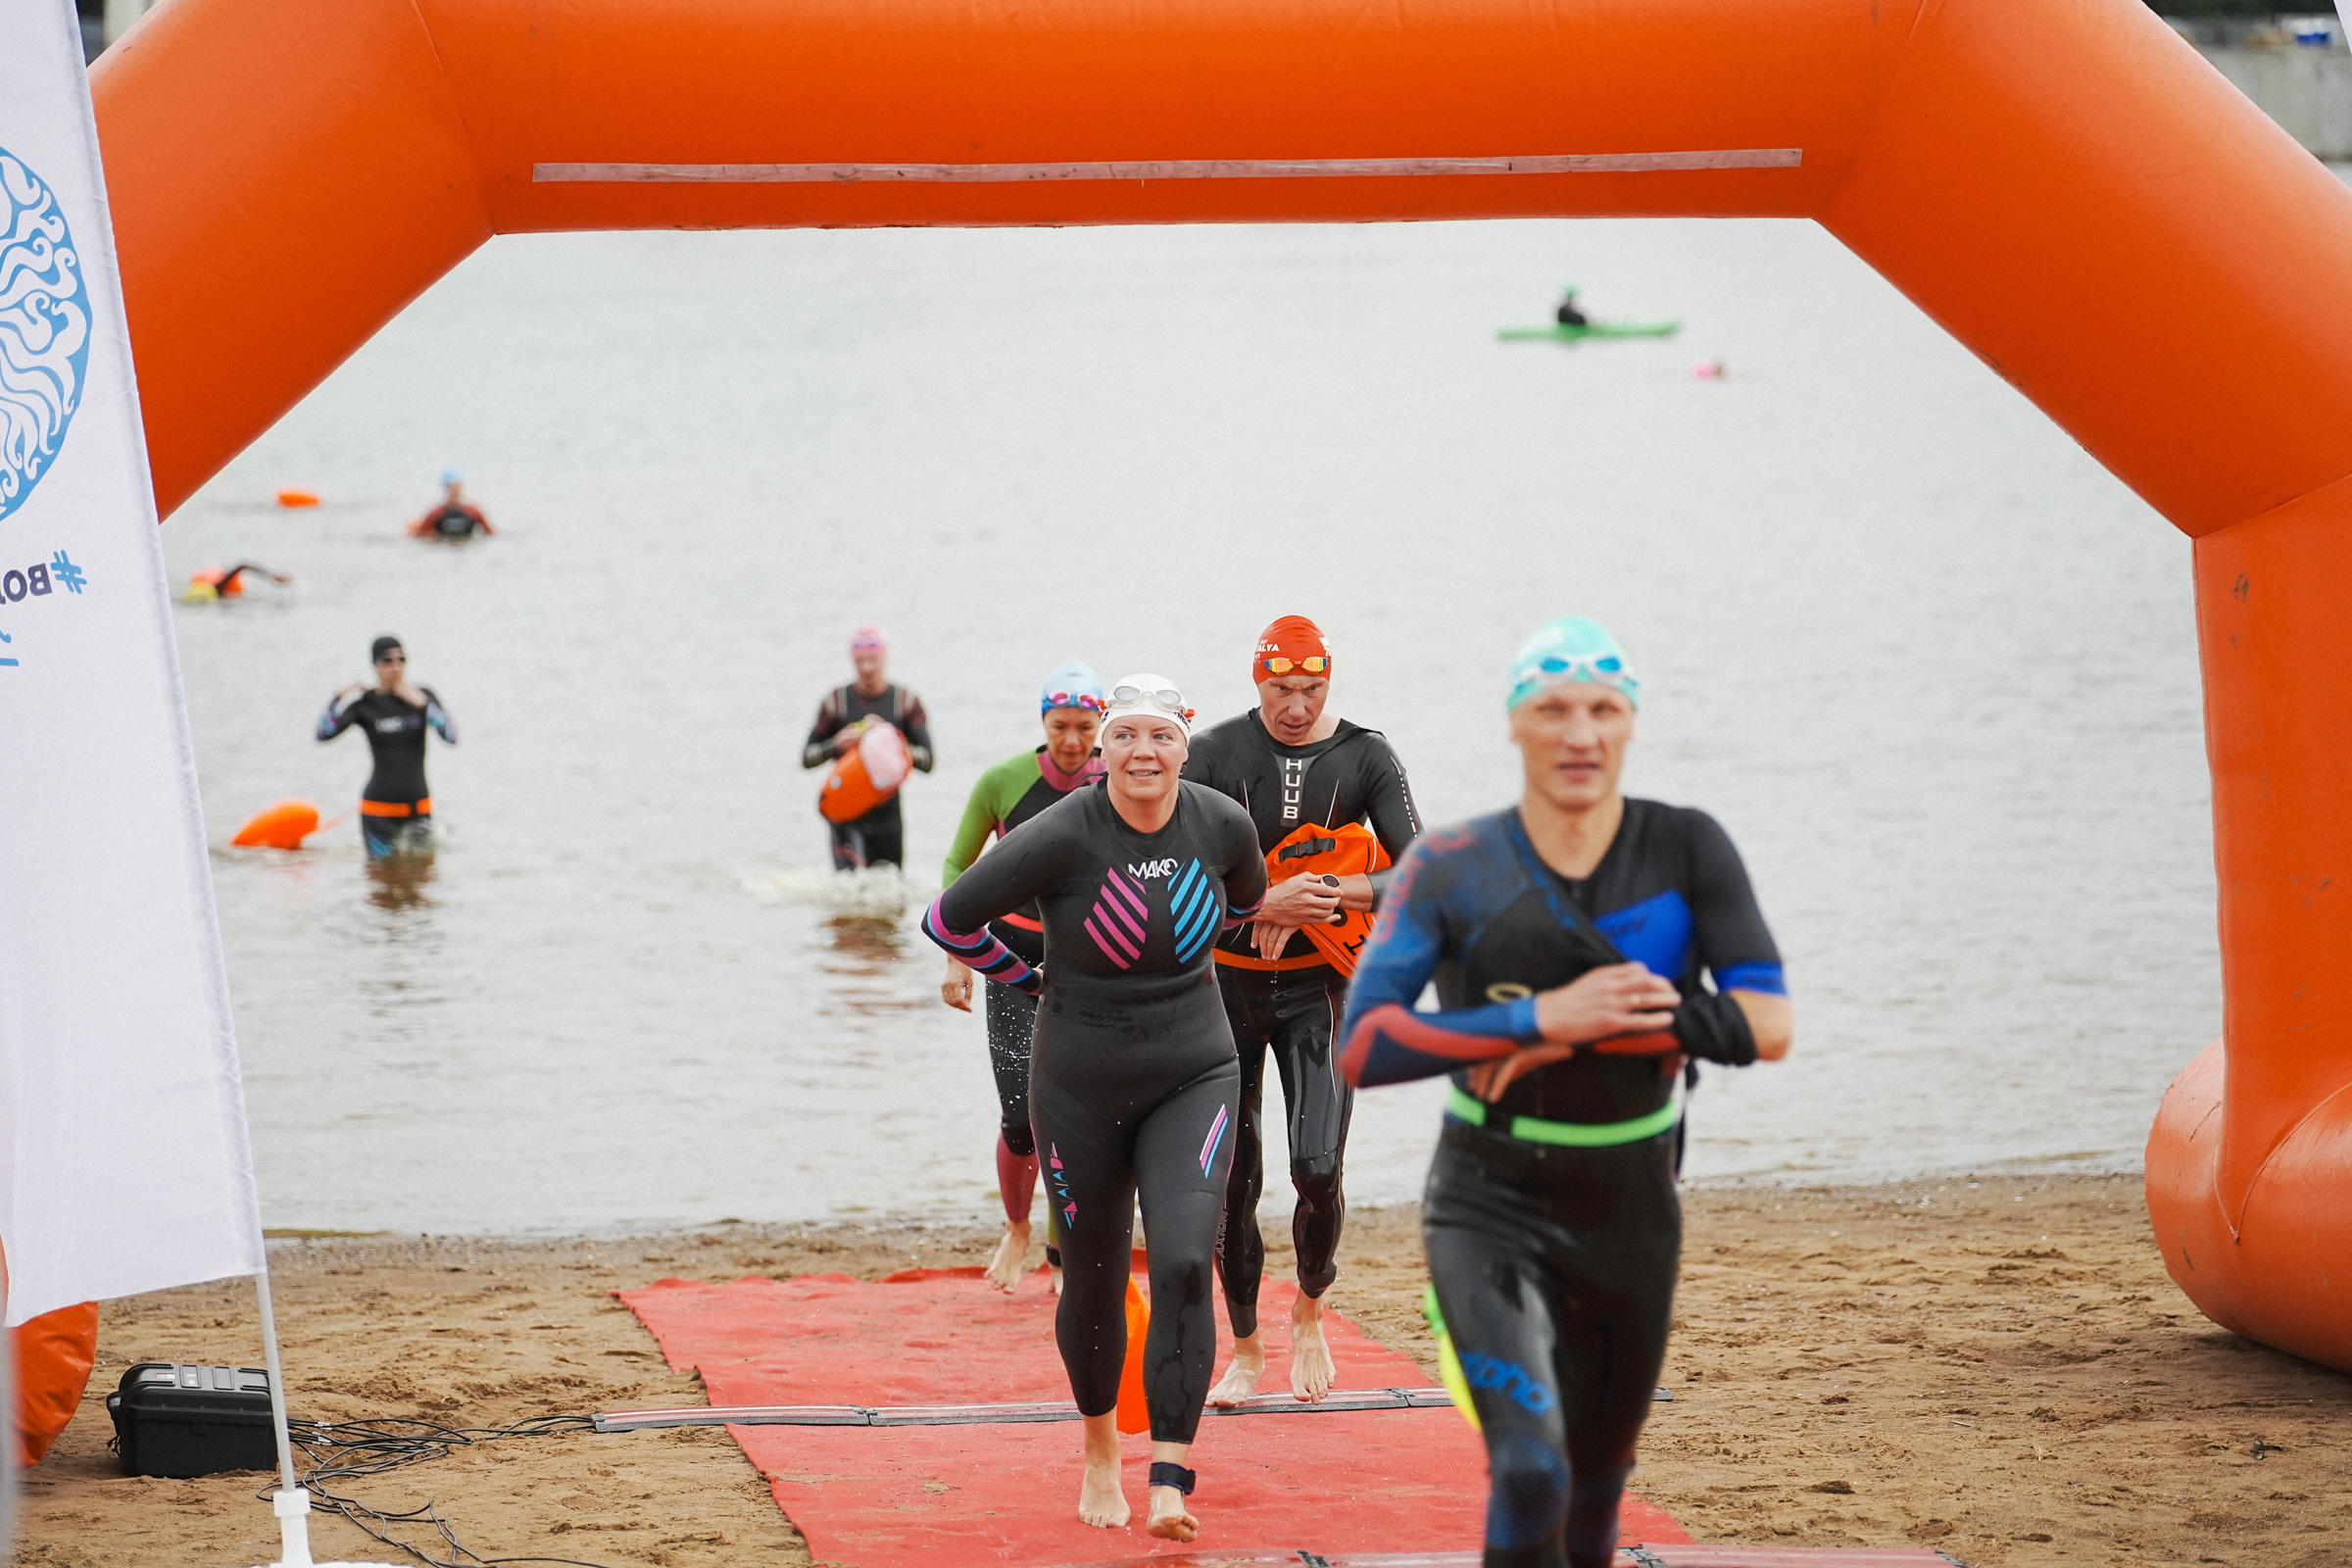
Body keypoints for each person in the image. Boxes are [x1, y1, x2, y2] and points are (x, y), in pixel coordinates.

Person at [1337, 615, 1792, 1568]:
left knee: (1593, 1493)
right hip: (1486, 1202)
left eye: (1601, 709)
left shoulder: (1686, 846)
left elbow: (1766, 1021)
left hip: (1632, 1208)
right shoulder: (1451, 863)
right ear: (1515, 725)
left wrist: (1610, 1023)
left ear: (1628, 724)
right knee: (1530, 1469)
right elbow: (1364, 1045)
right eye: (1552, 708)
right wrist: (1538, 1021)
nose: (1578, 732)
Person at [920, 675, 1265, 1543]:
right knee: (1097, 1276)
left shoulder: (1223, 823)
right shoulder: (1062, 832)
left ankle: (1171, 1481)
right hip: (1078, 1082)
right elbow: (949, 919)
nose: (1142, 752)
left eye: (1161, 736)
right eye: (1125, 737)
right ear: (1101, 749)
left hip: (1197, 1070)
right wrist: (1029, 980)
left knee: (1187, 1261)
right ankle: (1102, 1449)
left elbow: (1246, 906)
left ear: (1187, 745)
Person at [1182, 615, 1419, 1405]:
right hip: (1226, 990)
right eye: (1281, 688)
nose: (1296, 704)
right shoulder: (1214, 753)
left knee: (1316, 1169)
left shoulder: (1366, 755)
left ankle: (1310, 1309)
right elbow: (1174, 882)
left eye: (1311, 689)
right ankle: (1246, 1348)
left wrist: (1321, 894)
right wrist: (1260, 904)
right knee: (1231, 1180)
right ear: (1258, 682)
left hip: (1321, 990)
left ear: (1329, 683)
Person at [939, 660, 1109, 1294]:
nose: (1072, 740)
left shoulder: (1118, 779)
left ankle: (1064, 1258)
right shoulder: (1003, 781)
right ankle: (1016, 1228)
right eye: (1060, 725)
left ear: (1101, 724)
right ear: (1043, 721)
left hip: (1090, 965)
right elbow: (960, 865)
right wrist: (957, 955)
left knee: (1078, 1118)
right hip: (1010, 960)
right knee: (1020, 1116)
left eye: (1085, 726)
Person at [803, 624, 934, 870]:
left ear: (885, 657)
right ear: (852, 661)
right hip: (845, 813)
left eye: (873, 660)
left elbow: (928, 761)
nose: (867, 668)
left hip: (887, 816)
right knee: (847, 891)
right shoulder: (836, 703)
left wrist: (888, 741)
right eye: (860, 661)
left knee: (889, 894)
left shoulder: (905, 702)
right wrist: (836, 744)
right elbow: (807, 758)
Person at [316, 635, 457, 859]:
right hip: (378, 811)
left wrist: (423, 706)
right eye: (387, 661)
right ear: (375, 665)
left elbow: (450, 736)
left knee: (423, 885)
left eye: (401, 660)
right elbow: (323, 734)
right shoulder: (366, 705)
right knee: (381, 884)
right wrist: (338, 696)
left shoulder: (423, 698)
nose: (396, 667)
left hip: (418, 809)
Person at [407, 469, 493, 540]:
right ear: (446, 488)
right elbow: (419, 537)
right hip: (443, 547)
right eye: (452, 487)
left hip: (465, 549)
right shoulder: (436, 514)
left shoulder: (472, 512)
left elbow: (491, 534)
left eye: (457, 486)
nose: (455, 490)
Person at [182, 562, 288, 601]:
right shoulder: (219, 587)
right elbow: (243, 566)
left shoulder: (219, 585)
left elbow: (242, 565)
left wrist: (271, 576)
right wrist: (272, 577)